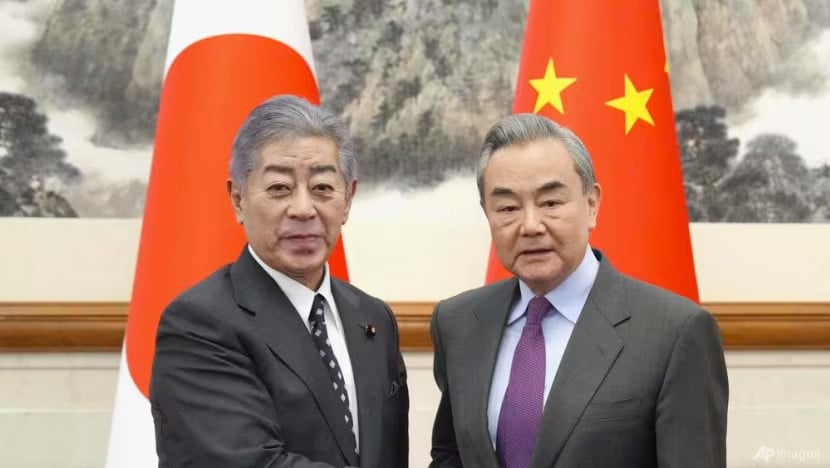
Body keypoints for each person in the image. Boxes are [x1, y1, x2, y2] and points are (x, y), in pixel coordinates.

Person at [429, 113, 727, 468]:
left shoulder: (676, 332)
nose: (531, 225)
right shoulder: (458, 323)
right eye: (507, 208)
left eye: (551, 203)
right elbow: (451, 455)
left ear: (591, 204)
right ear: (487, 214)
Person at [150, 95, 408, 468]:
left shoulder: (373, 318)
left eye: (322, 188)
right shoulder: (199, 322)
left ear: (348, 198)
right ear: (238, 199)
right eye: (279, 189)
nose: (303, 209)